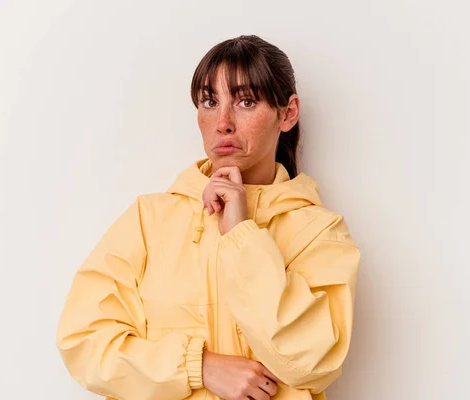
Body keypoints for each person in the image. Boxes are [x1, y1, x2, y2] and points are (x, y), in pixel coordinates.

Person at [56, 34, 361, 400]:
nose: (223, 123)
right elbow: (85, 342)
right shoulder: (148, 220)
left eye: (246, 101)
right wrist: (199, 367)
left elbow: (312, 361)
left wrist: (241, 233)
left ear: (288, 113)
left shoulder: (319, 232)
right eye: (209, 102)